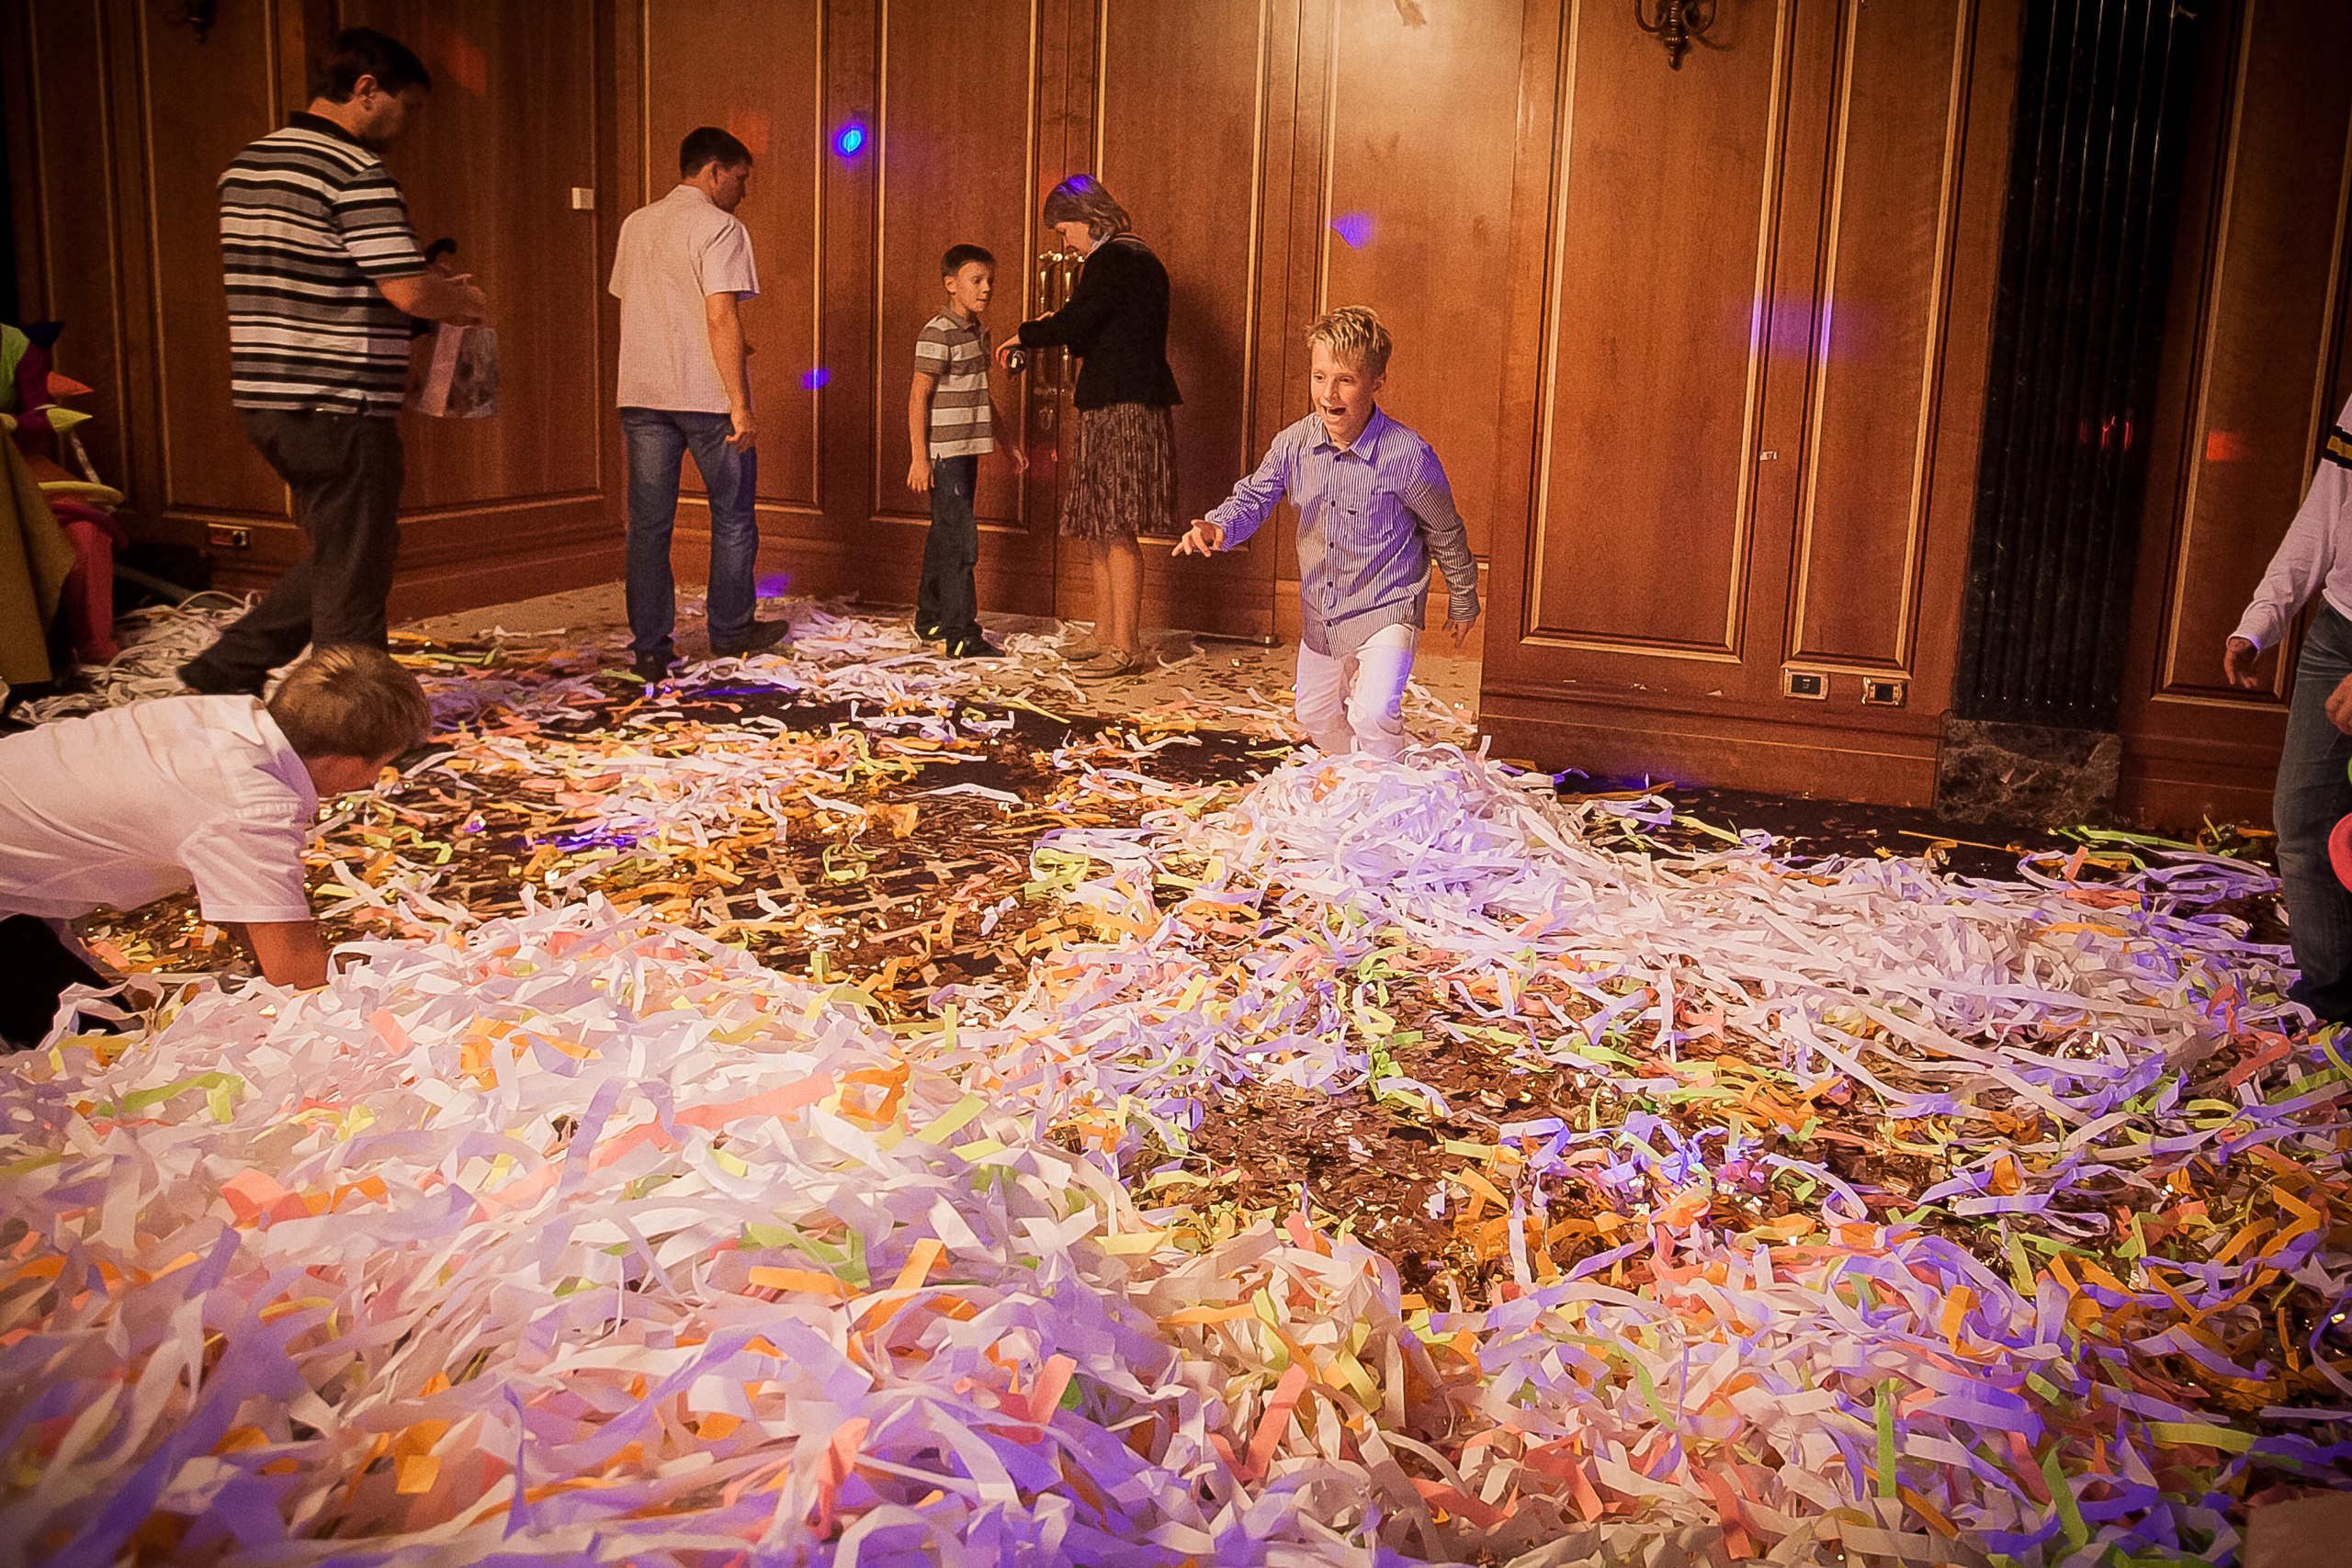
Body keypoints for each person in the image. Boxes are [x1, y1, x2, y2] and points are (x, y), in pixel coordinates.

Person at [182, 28, 489, 698]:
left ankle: (224, 669)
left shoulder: (247, 166)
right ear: (366, 89)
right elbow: (409, 292)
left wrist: (412, 287)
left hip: (266, 398)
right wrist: (459, 299)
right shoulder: (354, 172)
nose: (409, 123)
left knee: (348, 549)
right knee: (355, 576)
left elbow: (319, 278)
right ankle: (351, 722)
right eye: (408, 106)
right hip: (340, 401)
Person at [0, 647, 430, 1047]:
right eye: (380, 765)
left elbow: (249, 908)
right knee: (96, 1046)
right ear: (346, 761)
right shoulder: (251, 807)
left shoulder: (223, 716)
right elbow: (298, 977)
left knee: (96, 1016)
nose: (372, 781)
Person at [1175, 306, 1478, 759]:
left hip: (1388, 605)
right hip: (1324, 610)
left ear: (1376, 382)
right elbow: (1255, 496)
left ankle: (1388, 789)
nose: (1328, 393)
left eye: (1345, 380)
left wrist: (1463, 596)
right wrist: (1219, 524)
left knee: (1372, 714)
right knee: (1314, 714)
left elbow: (1445, 531)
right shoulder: (1293, 443)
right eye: (1319, 377)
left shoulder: (1408, 455)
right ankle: (1372, 771)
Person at [609, 127, 790, 682]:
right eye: (740, 178)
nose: (744, 191)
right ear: (714, 171)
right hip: (707, 396)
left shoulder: (635, 224)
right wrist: (741, 403)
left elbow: (642, 306)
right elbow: (719, 315)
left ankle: (650, 648)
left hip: (642, 392)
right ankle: (731, 631)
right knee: (732, 515)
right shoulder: (720, 227)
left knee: (648, 525)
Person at [997, 175, 1181, 682]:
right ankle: (1105, 634)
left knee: (1115, 525)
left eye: (1064, 231)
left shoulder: (1114, 259)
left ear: (1085, 218)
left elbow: (1078, 325)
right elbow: (1098, 326)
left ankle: (1125, 646)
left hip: (1122, 405)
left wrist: (1026, 333)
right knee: (1102, 524)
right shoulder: (1132, 258)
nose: (1067, 243)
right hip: (1113, 401)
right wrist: (1057, 323)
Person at [2227, 395, 2352, 1024]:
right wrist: (2262, 619)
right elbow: (2326, 510)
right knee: (2304, 819)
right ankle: (2330, 1006)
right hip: (2341, 630)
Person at [909, 244, 1026, 659]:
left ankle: (931, 619)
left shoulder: (978, 332)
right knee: (960, 541)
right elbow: (919, 396)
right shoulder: (937, 332)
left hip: (969, 448)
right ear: (951, 284)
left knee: (946, 533)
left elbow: (981, 394)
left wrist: (1006, 441)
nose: (986, 288)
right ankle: (962, 635)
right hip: (945, 453)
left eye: (990, 280)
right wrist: (920, 457)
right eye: (976, 280)